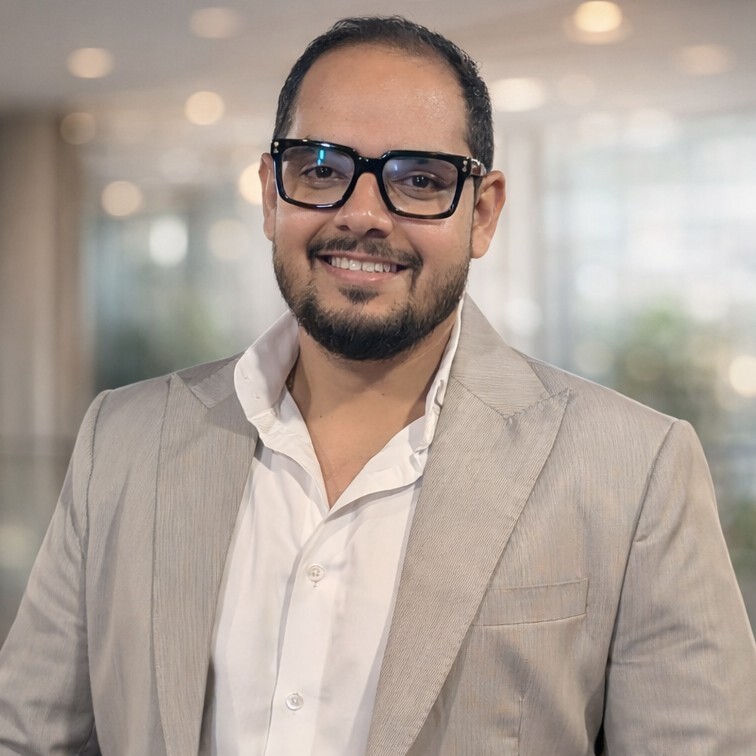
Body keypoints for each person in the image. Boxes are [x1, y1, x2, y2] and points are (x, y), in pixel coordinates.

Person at [1, 15, 755, 756]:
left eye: (419, 180)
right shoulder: (123, 440)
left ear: (483, 213)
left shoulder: (633, 469)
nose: (363, 215)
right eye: (321, 170)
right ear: (271, 194)